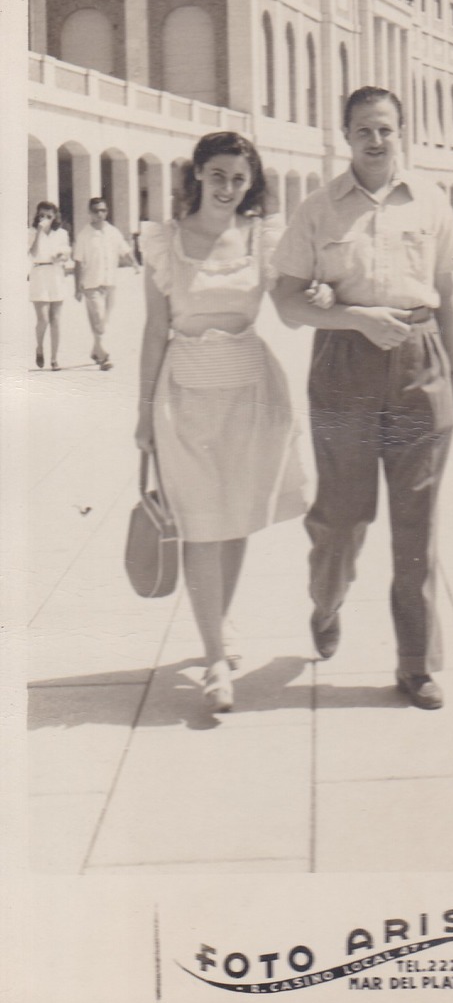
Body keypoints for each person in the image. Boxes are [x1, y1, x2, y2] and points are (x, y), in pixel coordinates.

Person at [272, 86, 453, 711]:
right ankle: (326, 600)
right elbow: (284, 303)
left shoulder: (431, 203)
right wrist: (357, 320)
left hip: (422, 365)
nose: (375, 140)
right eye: (363, 129)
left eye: (385, 129)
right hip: (345, 368)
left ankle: (414, 664)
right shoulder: (317, 210)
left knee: (416, 526)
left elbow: (447, 292)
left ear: (402, 134)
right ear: (345, 135)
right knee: (342, 519)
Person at [134, 131, 306, 713]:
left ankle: (220, 625)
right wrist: (141, 414)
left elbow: (289, 296)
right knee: (200, 522)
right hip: (182, 395)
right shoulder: (165, 241)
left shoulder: (262, 238)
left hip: (252, 393)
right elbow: (156, 329)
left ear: (250, 182)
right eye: (218, 175)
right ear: (198, 176)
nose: (229, 188)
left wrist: (327, 291)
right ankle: (213, 659)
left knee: (233, 520)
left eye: (239, 178)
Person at [73, 197, 139, 370]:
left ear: (107, 211)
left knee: (103, 322)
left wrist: (134, 263)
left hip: (110, 283)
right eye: (96, 211)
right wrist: (77, 287)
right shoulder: (84, 235)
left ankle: (96, 351)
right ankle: (104, 357)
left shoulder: (113, 232)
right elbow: (78, 262)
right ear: (90, 212)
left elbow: (124, 249)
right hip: (92, 284)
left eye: (103, 210)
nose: (100, 214)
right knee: (99, 320)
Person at [28, 202, 72, 371]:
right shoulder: (31, 232)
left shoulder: (61, 233)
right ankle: (39, 347)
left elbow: (66, 253)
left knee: (56, 319)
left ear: (55, 217)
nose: (45, 219)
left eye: (49, 216)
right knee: (43, 318)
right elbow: (32, 253)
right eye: (42, 215)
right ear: (37, 215)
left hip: (56, 274)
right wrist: (39, 231)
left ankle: (54, 359)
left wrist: (61, 256)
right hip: (39, 274)